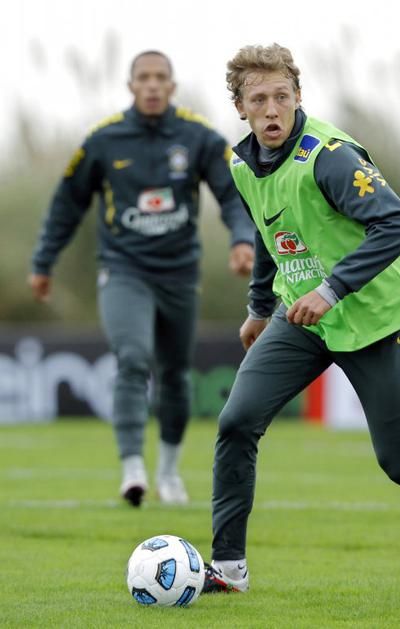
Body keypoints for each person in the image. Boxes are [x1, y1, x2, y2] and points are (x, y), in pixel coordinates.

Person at [202, 43, 400, 595]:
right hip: (304, 317)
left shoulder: (330, 157)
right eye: (258, 100)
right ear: (240, 108)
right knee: (236, 422)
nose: (272, 110)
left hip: (374, 318)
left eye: (281, 97)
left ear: (299, 97)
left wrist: (332, 289)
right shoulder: (241, 165)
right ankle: (228, 570)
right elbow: (271, 235)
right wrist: (259, 307)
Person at [29, 50, 254, 507]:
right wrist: (43, 261)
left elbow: (234, 194)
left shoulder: (199, 137)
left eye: (160, 77)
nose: (152, 85)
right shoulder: (103, 140)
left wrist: (241, 238)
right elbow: (67, 204)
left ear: (172, 86)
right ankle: (132, 468)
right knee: (132, 358)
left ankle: (168, 472)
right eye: (144, 77)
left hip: (180, 273)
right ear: (131, 85)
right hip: (123, 270)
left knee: (174, 374)